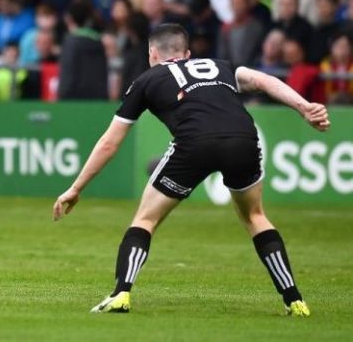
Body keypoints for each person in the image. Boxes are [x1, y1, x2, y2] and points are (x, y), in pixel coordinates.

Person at [52, 23, 330, 316]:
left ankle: (121, 294)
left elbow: (109, 143)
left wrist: (76, 188)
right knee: (256, 216)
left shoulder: (147, 80)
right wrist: (304, 107)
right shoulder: (219, 65)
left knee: (145, 220)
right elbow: (263, 80)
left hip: (193, 143)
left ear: (152, 53)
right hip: (243, 139)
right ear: (187, 53)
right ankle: (295, 300)